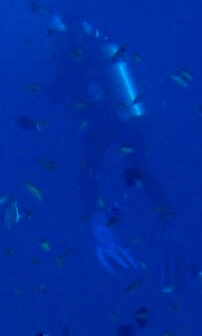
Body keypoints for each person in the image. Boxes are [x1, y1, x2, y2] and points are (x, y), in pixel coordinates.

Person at [44, 15, 178, 278]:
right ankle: (171, 222)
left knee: (89, 172)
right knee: (138, 169)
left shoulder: (73, 56)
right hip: (128, 120)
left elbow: (60, 91)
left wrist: (44, 94)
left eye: (56, 37)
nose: (55, 42)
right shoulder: (96, 45)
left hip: (103, 123)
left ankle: (101, 227)